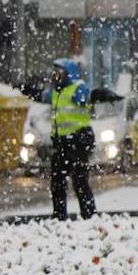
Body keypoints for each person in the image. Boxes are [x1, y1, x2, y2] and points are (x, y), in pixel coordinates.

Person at [44, 58, 96, 221]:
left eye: (59, 72)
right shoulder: (56, 91)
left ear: (69, 74)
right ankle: (59, 216)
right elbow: (43, 97)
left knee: (79, 181)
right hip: (61, 141)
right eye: (54, 72)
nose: (55, 75)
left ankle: (89, 215)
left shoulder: (77, 88)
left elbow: (86, 99)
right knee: (57, 182)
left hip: (78, 139)